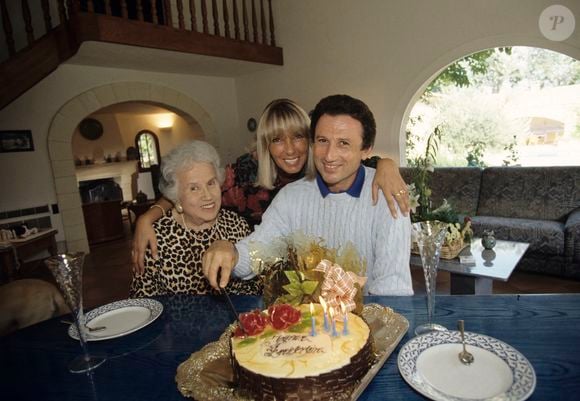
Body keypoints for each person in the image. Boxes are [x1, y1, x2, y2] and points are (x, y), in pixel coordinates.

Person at [132, 99, 410, 273]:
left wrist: (387, 165)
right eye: (277, 139)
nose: (290, 149)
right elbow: (191, 185)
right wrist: (150, 215)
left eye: (298, 137)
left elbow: (362, 163)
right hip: (280, 284)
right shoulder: (248, 174)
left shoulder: (372, 185)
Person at [202, 94, 413, 296]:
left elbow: (392, 287)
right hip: (311, 326)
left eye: (343, 143)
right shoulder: (290, 197)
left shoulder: (388, 195)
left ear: (366, 149)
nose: (329, 155)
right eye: (322, 141)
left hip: (369, 323)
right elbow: (259, 251)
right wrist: (232, 251)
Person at [129, 140, 262, 297]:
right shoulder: (156, 237)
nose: (207, 195)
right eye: (194, 188)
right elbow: (144, 303)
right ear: (175, 195)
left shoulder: (237, 225)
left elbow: (255, 290)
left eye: (211, 183)